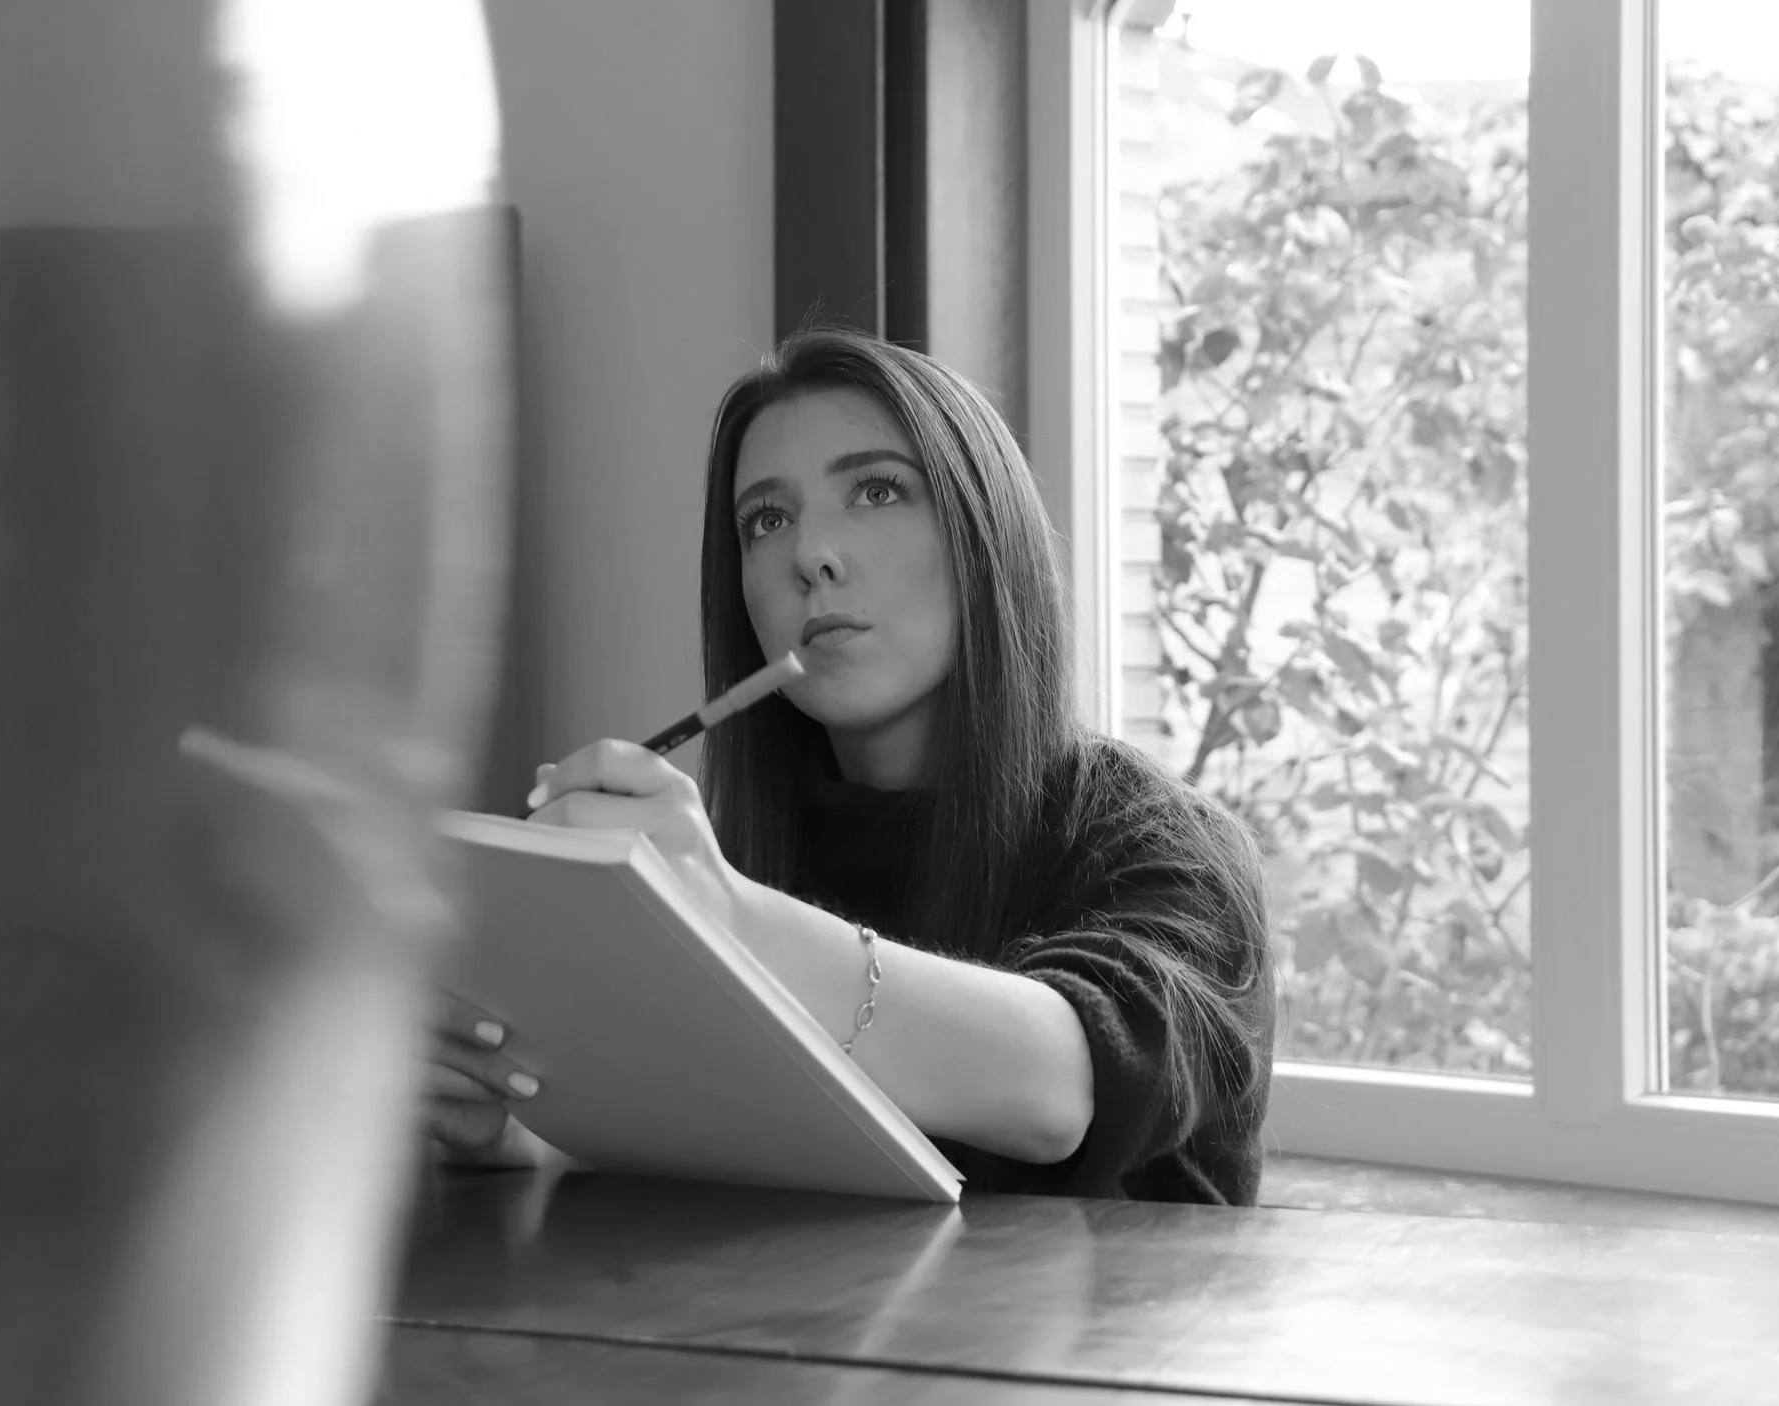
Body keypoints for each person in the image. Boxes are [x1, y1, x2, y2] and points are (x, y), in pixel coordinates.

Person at [426, 327, 1276, 1202]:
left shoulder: (1168, 848)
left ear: (985, 537)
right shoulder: (735, 857)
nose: (810, 556)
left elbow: (1064, 1090)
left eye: (876, 490)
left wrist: (728, 917)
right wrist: (525, 1125)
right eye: (767, 518)